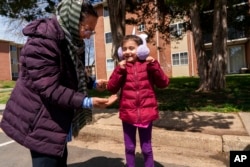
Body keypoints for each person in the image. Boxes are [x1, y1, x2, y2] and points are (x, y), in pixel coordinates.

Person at [0, 0, 117, 166]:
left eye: (92, 31)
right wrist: (87, 101)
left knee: (60, 158)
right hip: (39, 118)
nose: (88, 35)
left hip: (56, 118)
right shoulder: (43, 42)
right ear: (71, 19)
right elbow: (50, 88)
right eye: (87, 29)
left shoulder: (71, 42)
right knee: (48, 162)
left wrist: (92, 83)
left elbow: (69, 73)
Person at [107, 34, 170, 167]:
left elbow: (163, 83)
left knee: (146, 148)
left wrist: (154, 65)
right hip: (128, 114)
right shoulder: (122, 67)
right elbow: (111, 88)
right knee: (129, 148)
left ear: (141, 49)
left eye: (131, 48)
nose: (127, 52)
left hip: (146, 113)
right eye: (124, 49)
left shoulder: (149, 65)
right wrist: (119, 70)